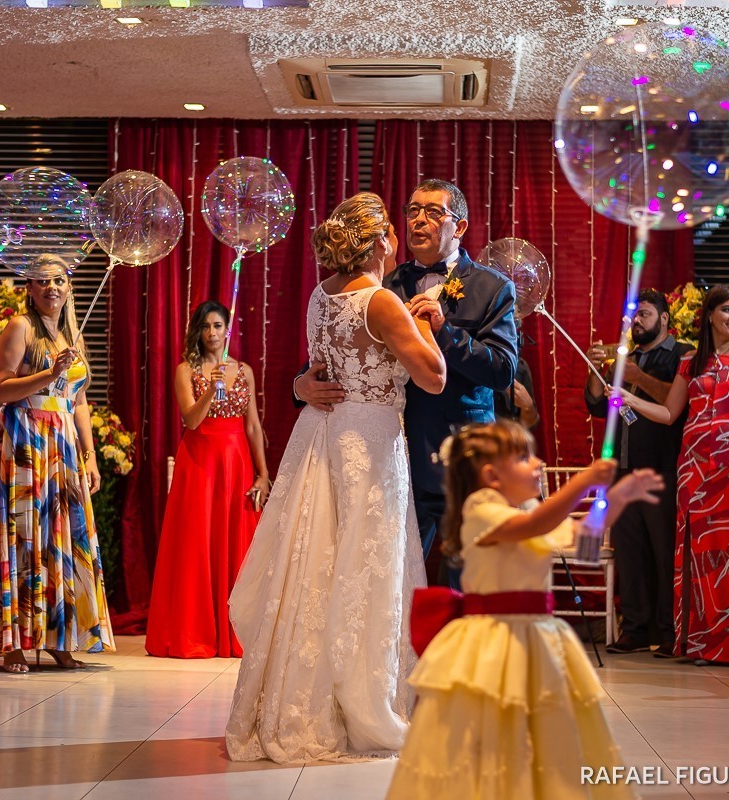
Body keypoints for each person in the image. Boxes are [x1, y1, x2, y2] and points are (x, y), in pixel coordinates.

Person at [226, 192, 446, 763]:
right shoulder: (383, 301)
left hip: (321, 436)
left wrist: (301, 389)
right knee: (363, 567)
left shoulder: (319, 297)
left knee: (313, 565)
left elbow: (320, 368)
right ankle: (361, 706)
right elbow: (434, 378)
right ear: (379, 243)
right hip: (369, 442)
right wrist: (429, 324)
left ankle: (296, 699)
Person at [386, 421, 658, 800]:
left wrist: (617, 499)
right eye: (524, 456)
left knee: (542, 724)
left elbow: (583, 542)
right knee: (494, 722)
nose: (539, 463)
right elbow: (533, 525)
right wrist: (583, 481)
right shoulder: (481, 509)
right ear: (492, 476)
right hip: (494, 637)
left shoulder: (529, 508)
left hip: (539, 635)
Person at [295, 179, 518, 581]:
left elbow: (503, 370)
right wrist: (300, 386)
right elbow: (336, 352)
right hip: (391, 454)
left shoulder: (492, 287)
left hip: (462, 456)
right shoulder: (382, 285)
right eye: (412, 210)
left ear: (460, 226)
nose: (418, 220)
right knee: (387, 578)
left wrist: (446, 331)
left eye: (434, 212)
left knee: (464, 581)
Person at [616, 285, 729, 666]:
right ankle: (700, 644)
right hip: (695, 471)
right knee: (698, 558)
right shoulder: (690, 361)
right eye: (727, 310)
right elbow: (670, 414)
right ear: (710, 316)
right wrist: (628, 398)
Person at [0, 254, 115, 673]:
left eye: (59, 280)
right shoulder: (20, 327)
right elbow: (1, 391)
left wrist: (89, 457)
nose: (52, 287)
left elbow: (79, 401)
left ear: (68, 287)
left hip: (62, 443)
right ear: (30, 290)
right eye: (42, 282)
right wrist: (48, 374)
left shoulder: (72, 335)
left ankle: (59, 636)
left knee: (61, 534)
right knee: (23, 532)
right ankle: (13, 643)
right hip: (24, 439)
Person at [145, 300, 269, 658]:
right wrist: (209, 392)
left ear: (227, 330)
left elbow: (253, 425)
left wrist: (262, 473)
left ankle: (235, 632)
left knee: (237, 544)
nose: (212, 333)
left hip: (236, 463)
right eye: (205, 327)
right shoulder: (187, 370)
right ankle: (196, 631)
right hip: (200, 463)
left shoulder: (244, 370)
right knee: (198, 542)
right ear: (197, 332)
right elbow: (191, 421)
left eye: (217, 326)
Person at [584, 288, 692, 656]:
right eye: (633, 317)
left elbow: (674, 401)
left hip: (661, 468)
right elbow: (598, 405)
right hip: (623, 469)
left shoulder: (681, 354)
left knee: (663, 553)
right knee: (629, 552)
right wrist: (597, 370)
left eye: (644, 314)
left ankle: (666, 630)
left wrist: (635, 375)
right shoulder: (624, 355)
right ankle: (635, 628)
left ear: (664, 319)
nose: (636, 322)